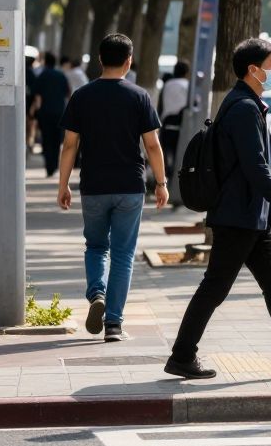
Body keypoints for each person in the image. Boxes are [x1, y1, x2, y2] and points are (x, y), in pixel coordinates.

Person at [165, 38, 271, 381]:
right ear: (253, 70)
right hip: (239, 215)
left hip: (250, 216)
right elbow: (253, 165)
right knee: (215, 286)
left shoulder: (246, 103)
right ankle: (182, 355)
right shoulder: (243, 107)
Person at [57, 33, 169, 342]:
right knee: (123, 254)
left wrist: (62, 184)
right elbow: (153, 145)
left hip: (93, 186)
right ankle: (115, 324)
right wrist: (160, 182)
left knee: (95, 246)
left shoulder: (82, 96)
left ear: (100, 59)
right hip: (130, 187)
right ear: (129, 61)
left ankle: (96, 294)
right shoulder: (139, 96)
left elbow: (69, 145)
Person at [33, 52, 71, 176]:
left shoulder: (42, 75)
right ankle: (54, 165)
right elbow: (67, 93)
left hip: (45, 112)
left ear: (45, 61)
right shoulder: (61, 75)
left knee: (47, 139)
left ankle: (49, 166)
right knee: (57, 139)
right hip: (60, 111)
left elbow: (38, 96)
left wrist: (35, 110)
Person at [158, 61, 190, 181]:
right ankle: (176, 181)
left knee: (166, 154)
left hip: (166, 123)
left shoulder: (167, 85)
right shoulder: (188, 85)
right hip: (180, 125)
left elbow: (161, 106)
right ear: (187, 73)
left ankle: (166, 177)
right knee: (179, 156)